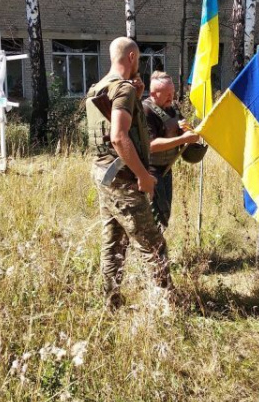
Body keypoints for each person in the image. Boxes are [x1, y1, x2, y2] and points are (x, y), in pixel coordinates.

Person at [85, 37, 174, 311]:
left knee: (113, 242)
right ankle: (167, 306)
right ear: (132, 57)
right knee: (153, 244)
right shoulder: (123, 90)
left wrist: (137, 93)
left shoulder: (98, 88)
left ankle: (111, 304)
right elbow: (118, 137)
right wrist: (143, 176)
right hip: (123, 178)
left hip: (104, 175)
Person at [142, 71, 200, 232]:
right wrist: (183, 139)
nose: (171, 98)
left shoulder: (172, 108)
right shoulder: (146, 111)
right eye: (167, 94)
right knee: (154, 216)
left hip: (167, 170)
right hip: (150, 171)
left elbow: (182, 132)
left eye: (172, 93)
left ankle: (158, 252)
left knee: (165, 214)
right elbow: (151, 145)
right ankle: (154, 254)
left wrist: (187, 131)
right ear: (153, 93)